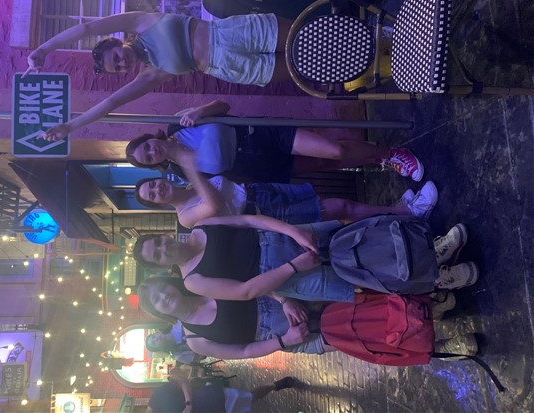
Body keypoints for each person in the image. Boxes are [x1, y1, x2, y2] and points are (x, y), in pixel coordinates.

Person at [25, 12, 294, 142]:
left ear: (118, 42)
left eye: (117, 56)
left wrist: (44, 49)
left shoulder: (142, 23)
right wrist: (69, 126)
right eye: (117, 68)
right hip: (229, 67)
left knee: (305, 37)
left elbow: (87, 28)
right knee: (303, 67)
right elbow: (110, 104)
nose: (122, 63)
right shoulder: (151, 75)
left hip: (233, 33)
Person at [132, 215, 480, 303]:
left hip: (282, 235)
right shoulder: (193, 280)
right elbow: (245, 292)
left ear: (162, 235)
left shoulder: (200, 226)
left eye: (158, 242)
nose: (164, 248)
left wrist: (293, 231)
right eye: (158, 255)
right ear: (162, 266)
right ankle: (436, 278)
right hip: (285, 274)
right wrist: (293, 267)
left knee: (364, 240)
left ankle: (433, 250)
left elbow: (250, 220)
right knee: (362, 275)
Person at [138, 276, 478, 361]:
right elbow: (244, 351)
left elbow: (250, 283)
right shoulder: (196, 341)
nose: (164, 297)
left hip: (287, 299)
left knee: (363, 303)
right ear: (158, 312)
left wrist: (284, 298)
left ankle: (429, 311)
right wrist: (285, 340)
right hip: (280, 335)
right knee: (363, 342)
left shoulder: (201, 284)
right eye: (156, 301)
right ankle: (444, 346)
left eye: (160, 289)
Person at [125, 100, 425, 183]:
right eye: (148, 157)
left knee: (334, 150)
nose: (152, 151)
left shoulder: (178, 123)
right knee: (325, 165)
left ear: (151, 138)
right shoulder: (179, 171)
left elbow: (223, 107)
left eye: (147, 146)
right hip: (254, 167)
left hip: (259, 134)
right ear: (154, 164)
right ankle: (379, 158)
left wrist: (201, 111)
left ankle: (393, 152)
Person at [134, 149, 438, 228]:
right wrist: (190, 166)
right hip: (262, 211)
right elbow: (212, 206)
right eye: (153, 195)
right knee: (336, 208)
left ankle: (395, 210)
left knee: (327, 202)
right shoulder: (185, 217)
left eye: (154, 184)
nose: (158, 189)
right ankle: (410, 213)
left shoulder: (190, 183)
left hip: (259, 191)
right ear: (157, 204)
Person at [147, 369, 302, 413]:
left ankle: (275, 385)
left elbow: (182, 382)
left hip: (213, 398)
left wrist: (189, 404)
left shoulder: (157, 398)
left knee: (251, 396)